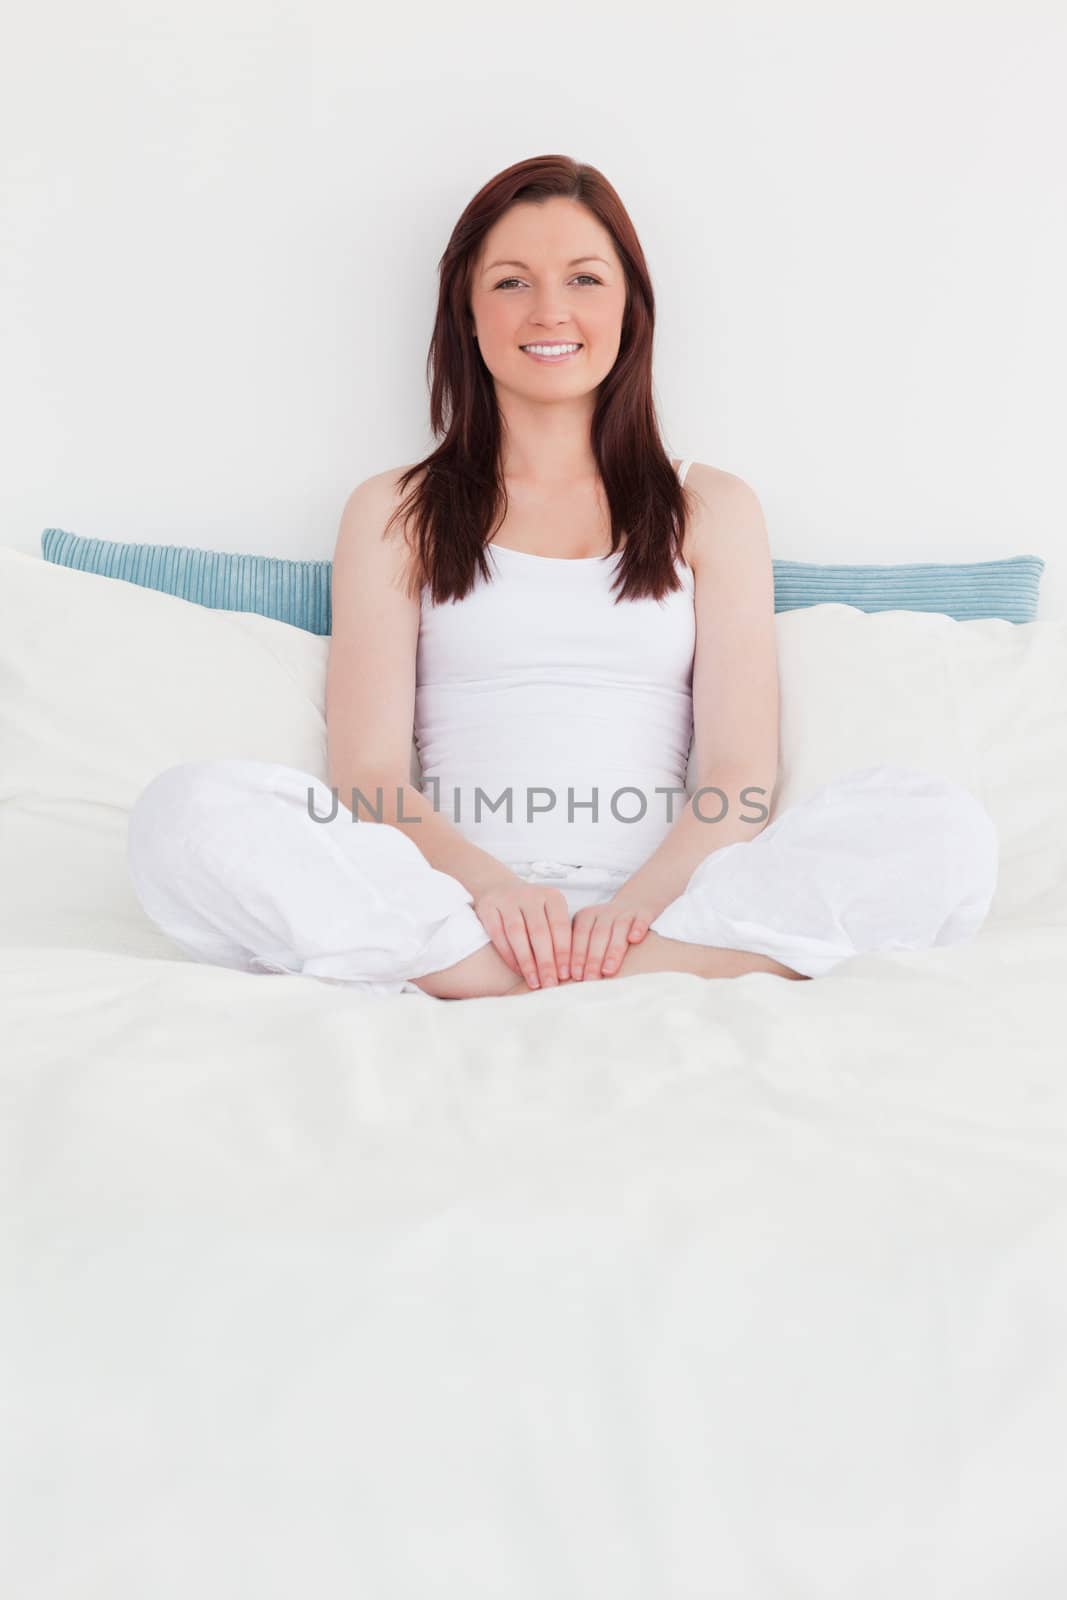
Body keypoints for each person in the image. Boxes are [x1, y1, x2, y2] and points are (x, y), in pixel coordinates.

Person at [126, 157, 999, 1001]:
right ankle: (508, 973)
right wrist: (495, 894)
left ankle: (578, 975)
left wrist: (632, 912)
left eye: (584, 278)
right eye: (511, 281)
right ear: (466, 312)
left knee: (944, 829)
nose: (550, 310)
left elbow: (737, 774)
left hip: (669, 908)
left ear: (628, 307)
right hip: (454, 908)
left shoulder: (713, 508)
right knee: (187, 811)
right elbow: (370, 774)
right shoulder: (393, 509)